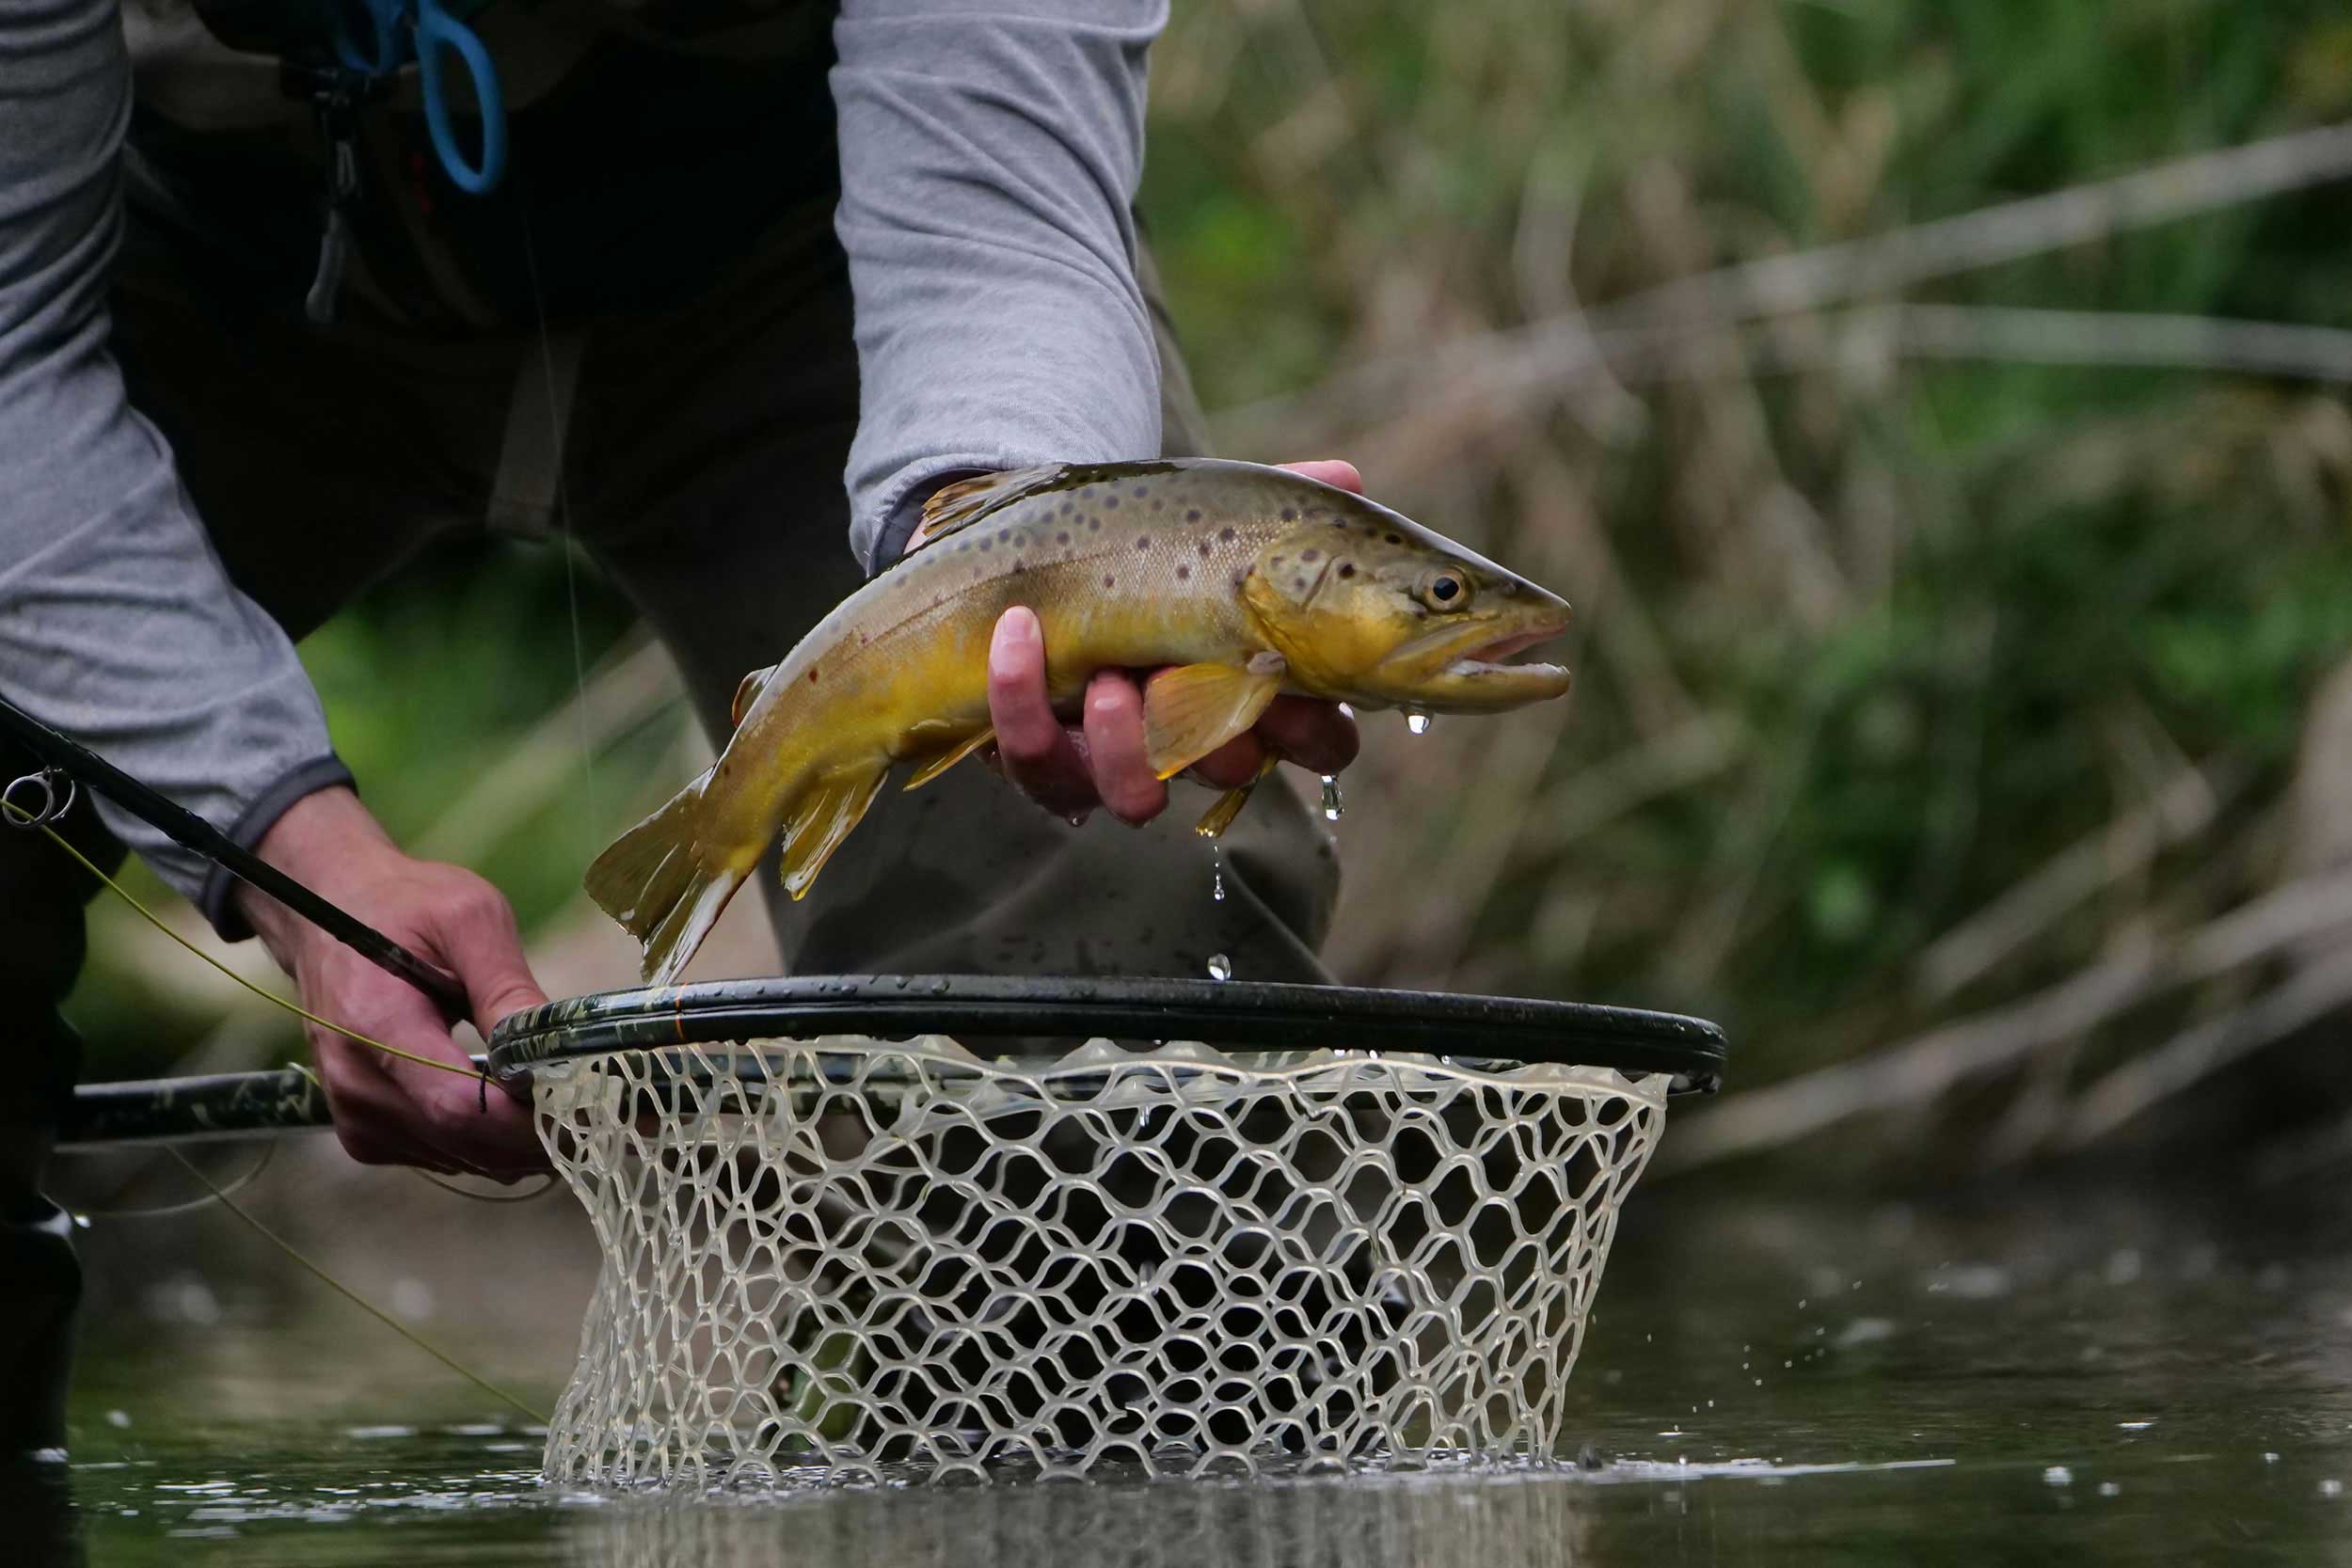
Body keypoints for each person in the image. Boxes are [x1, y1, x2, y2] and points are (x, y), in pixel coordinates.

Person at [0, 0, 1365, 1452]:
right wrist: (290, 850)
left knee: (1108, 905)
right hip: (185, 253)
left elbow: (994, 220)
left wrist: (1016, 568)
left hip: (815, 235)